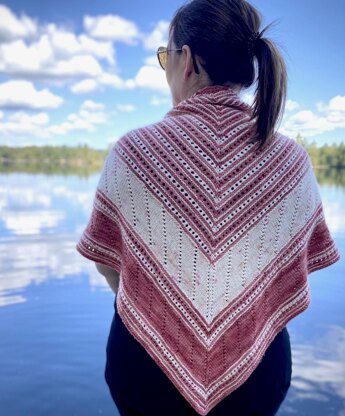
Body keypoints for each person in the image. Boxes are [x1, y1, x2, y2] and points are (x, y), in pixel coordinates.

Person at [76, 0, 341, 415]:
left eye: (166, 57)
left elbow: (108, 262)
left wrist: (157, 308)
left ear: (186, 60)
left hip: (145, 371)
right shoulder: (291, 161)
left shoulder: (133, 152)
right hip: (258, 372)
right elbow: (297, 266)